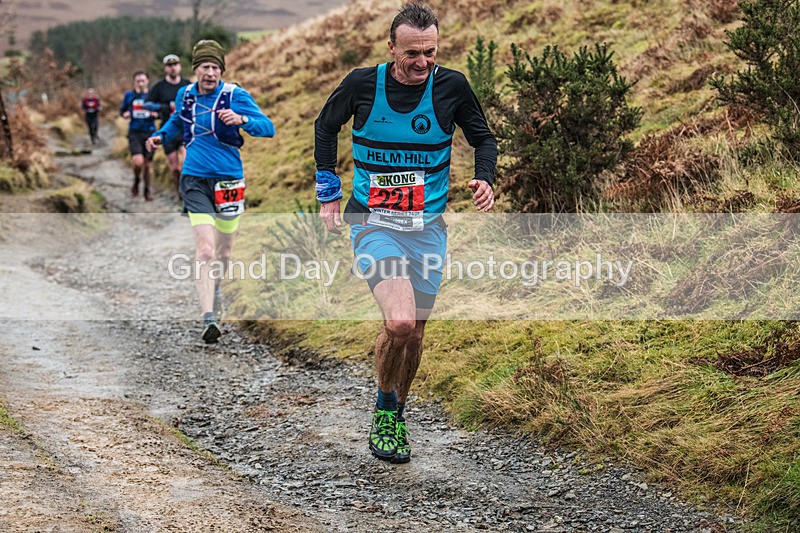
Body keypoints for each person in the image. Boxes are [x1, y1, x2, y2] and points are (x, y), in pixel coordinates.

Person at [314, 2, 496, 464]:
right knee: (397, 322)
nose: (422, 62)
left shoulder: (451, 86)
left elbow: (484, 138)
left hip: (428, 231)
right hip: (374, 224)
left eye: (430, 52)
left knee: (414, 335)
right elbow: (325, 126)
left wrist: (486, 177)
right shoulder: (361, 84)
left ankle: (397, 411)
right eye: (412, 53)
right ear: (391, 46)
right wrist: (328, 190)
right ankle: (384, 413)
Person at [146, 40, 275, 344]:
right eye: (205, 66)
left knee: (224, 251)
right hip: (194, 179)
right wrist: (160, 136)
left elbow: (267, 127)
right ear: (196, 69)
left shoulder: (234, 95)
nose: (211, 72)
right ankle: (208, 317)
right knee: (205, 248)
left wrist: (243, 120)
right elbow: (177, 122)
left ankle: (215, 287)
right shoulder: (186, 95)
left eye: (216, 67)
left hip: (229, 181)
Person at [146, 54, 191, 199]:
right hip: (168, 130)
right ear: (165, 68)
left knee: (186, 164)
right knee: (175, 167)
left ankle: (188, 193)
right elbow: (147, 103)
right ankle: (179, 191)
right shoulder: (159, 87)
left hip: (185, 129)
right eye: (170, 65)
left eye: (175, 64)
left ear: (180, 66)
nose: (173, 68)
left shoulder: (186, 84)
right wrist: (161, 107)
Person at [120, 71, 158, 201]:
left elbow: (161, 110)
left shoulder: (153, 95)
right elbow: (122, 110)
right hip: (135, 132)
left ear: (147, 81)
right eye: (138, 81)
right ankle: (136, 180)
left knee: (148, 165)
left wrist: (156, 113)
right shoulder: (129, 95)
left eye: (143, 80)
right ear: (134, 82)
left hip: (150, 133)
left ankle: (147, 190)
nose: (140, 83)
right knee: (138, 162)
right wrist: (125, 114)